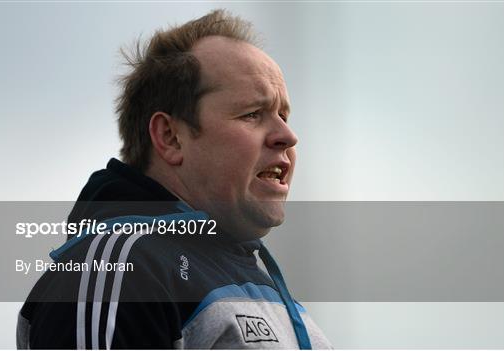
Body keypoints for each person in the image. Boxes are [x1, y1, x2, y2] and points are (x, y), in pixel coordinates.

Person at [17, 9, 333, 349]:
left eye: (283, 115)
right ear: (170, 137)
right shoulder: (122, 269)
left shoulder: (263, 287)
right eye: (252, 114)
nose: (287, 135)